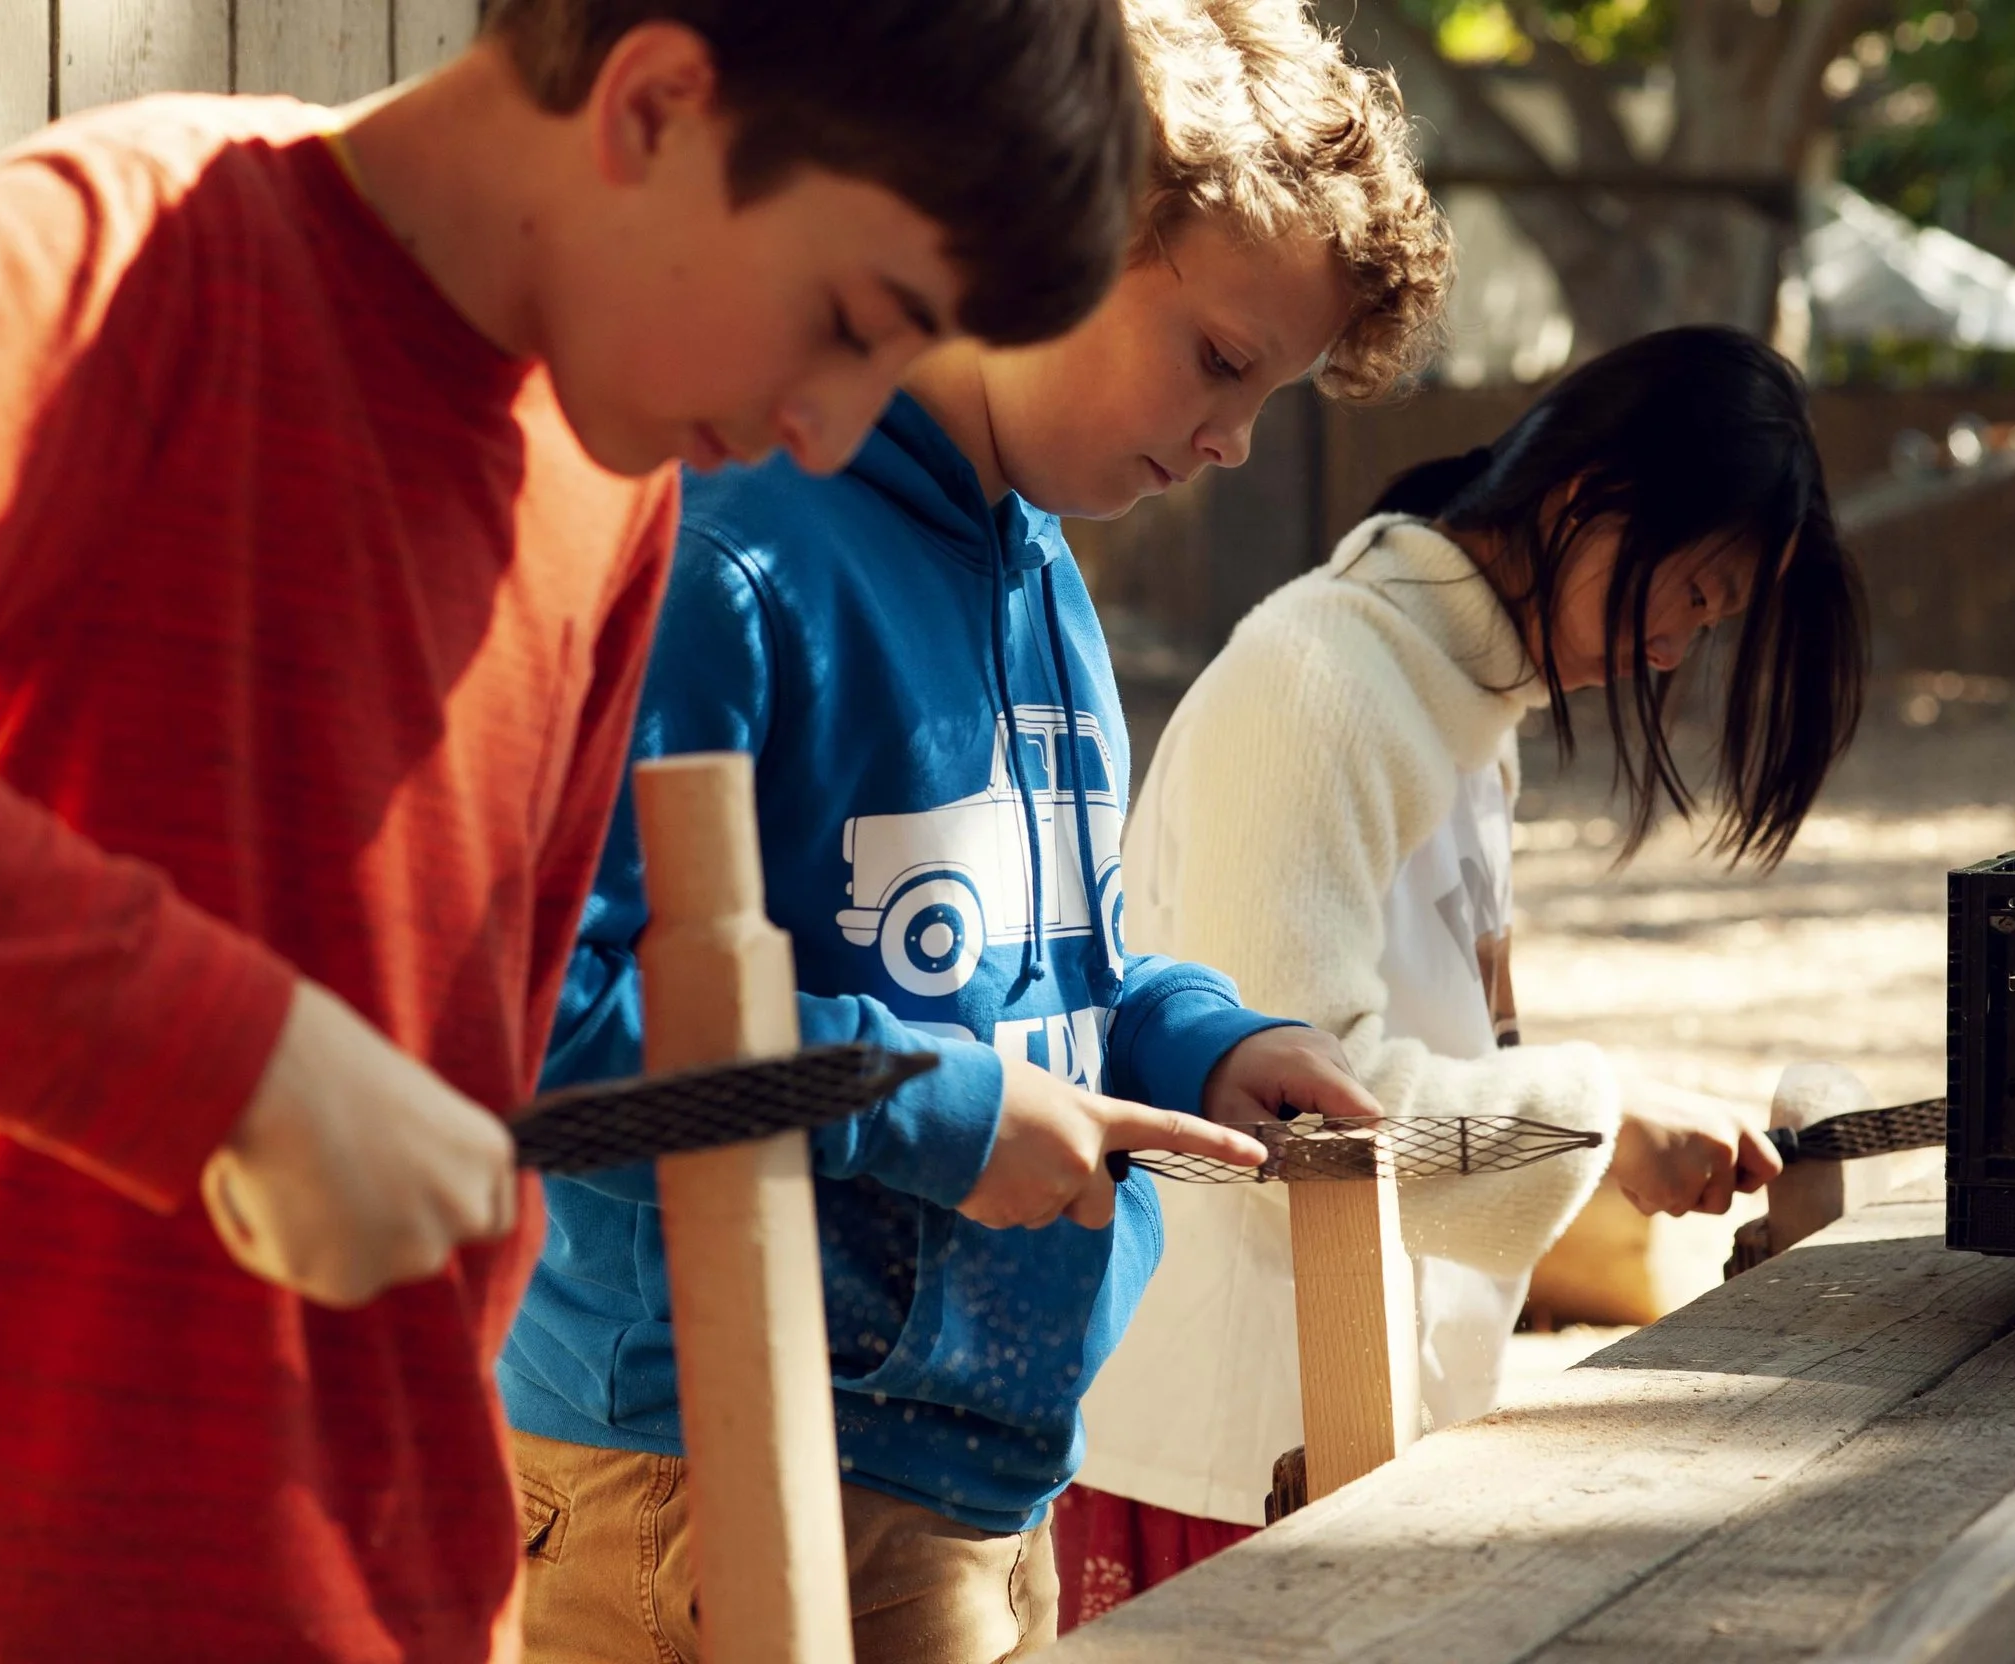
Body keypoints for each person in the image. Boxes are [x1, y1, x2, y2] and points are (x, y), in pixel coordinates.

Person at [0, 2, 1146, 1658]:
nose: (832, 430)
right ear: (654, 105)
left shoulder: (617, 495)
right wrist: (242, 1066)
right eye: (850, 321)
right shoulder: (134, 249)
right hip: (0, 1593)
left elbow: (497, 1095)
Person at [494, 3, 1452, 1658]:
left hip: (971, 1477)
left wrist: (1196, 1039)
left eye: (1267, 397)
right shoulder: (733, 559)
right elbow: (545, 1022)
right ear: (1043, 228)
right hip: (718, 1474)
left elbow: (1031, 963)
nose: (1231, 440)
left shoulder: (1043, 572)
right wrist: (936, 1111)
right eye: (1220, 360)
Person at [1064, 325, 1865, 1622]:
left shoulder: (1461, 716)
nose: (1673, 652)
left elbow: (1429, 1052)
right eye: (1695, 594)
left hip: (1360, 1432)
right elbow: (1286, 1131)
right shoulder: (1315, 686)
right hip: (1227, 1458)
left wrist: (1609, 1116)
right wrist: (1601, 1123)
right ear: (1586, 500)